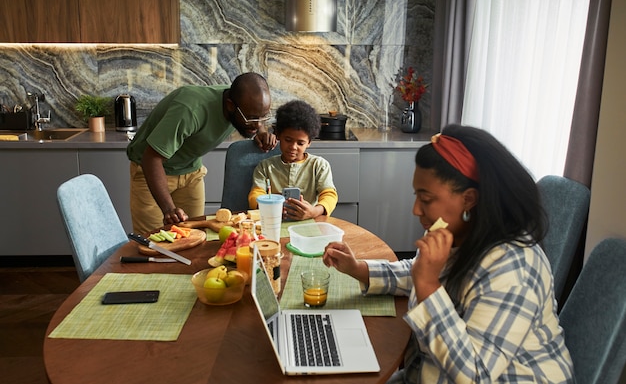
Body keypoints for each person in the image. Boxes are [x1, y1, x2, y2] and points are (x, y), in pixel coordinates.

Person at [322, 124, 574, 383]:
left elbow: (475, 374)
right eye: (416, 195)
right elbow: (417, 272)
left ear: (469, 199)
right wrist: (359, 269)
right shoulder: (461, 235)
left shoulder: (513, 267)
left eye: (427, 199)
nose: (416, 210)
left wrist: (428, 286)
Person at [127, 72, 277, 234]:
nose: (256, 124)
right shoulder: (190, 110)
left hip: (191, 171)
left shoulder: (242, 103)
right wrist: (168, 209)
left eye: (262, 117)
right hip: (153, 172)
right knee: (154, 242)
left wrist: (261, 131)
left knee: (196, 237)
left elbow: (256, 116)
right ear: (230, 105)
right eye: (251, 118)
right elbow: (151, 159)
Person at [248, 100, 338, 220]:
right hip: (273, 221)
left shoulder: (319, 165)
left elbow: (329, 195)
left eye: (300, 143)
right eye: (288, 140)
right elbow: (255, 194)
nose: (293, 147)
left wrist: (314, 211)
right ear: (278, 135)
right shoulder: (265, 167)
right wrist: (270, 207)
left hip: (310, 223)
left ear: (309, 142)